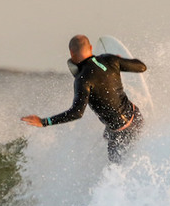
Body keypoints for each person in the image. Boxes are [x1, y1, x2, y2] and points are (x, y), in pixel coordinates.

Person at [22, 35, 147, 163]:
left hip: (120, 133)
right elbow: (142, 67)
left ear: (71, 53)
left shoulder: (82, 80)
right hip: (136, 117)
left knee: (116, 168)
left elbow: (76, 113)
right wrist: (120, 61)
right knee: (107, 135)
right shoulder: (109, 59)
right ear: (91, 48)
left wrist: (44, 122)